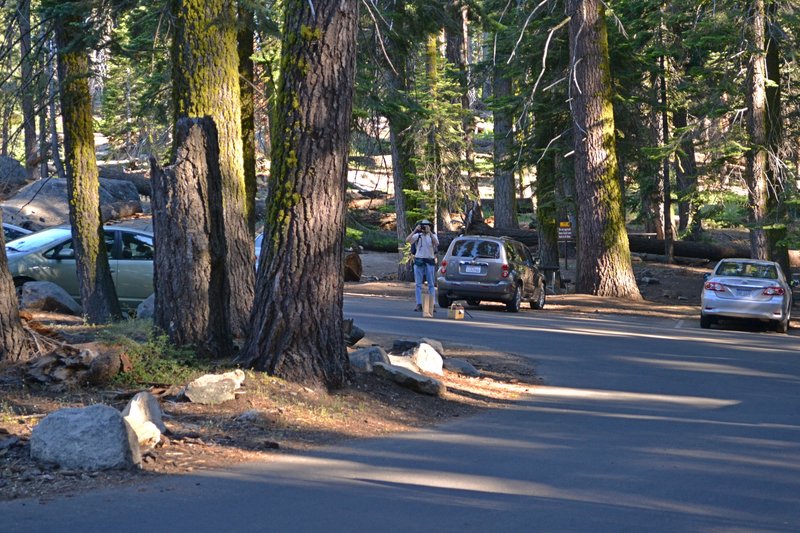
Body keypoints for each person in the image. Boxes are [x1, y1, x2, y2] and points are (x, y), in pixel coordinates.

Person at [406, 219, 439, 312]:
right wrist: (415, 230)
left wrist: (430, 233)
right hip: (419, 261)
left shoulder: (433, 236)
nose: (424, 227)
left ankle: (432, 304)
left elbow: (437, 243)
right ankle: (418, 303)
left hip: (429, 261)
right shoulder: (418, 235)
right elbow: (407, 240)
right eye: (423, 226)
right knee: (418, 284)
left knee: (431, 284)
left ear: (430, 226)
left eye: (427, 225)